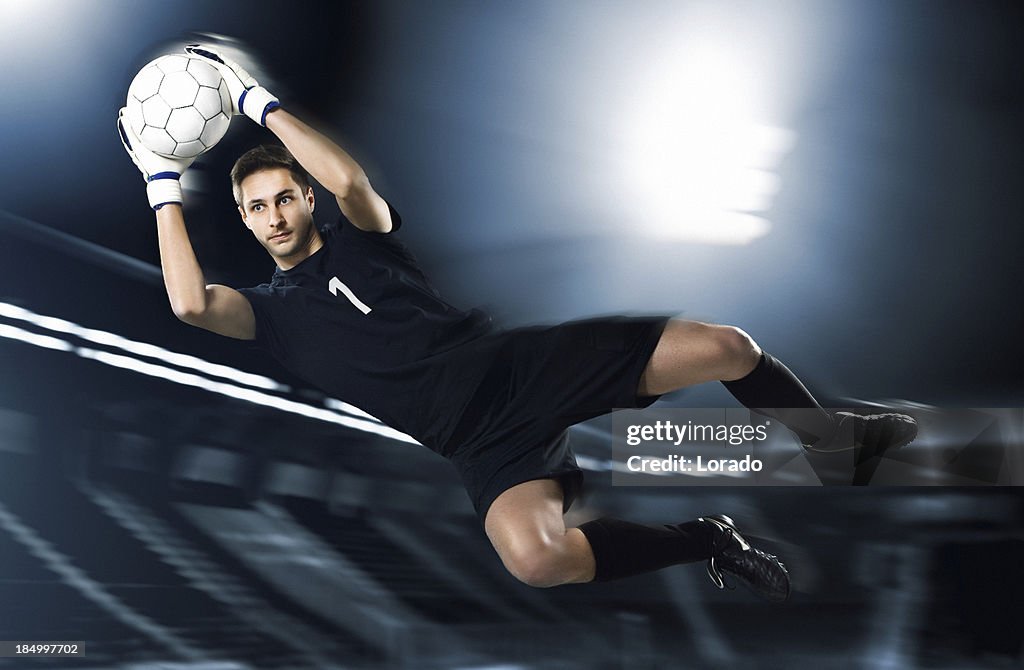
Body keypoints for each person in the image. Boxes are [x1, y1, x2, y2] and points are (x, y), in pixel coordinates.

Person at [118, 45, 918, 603]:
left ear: (304, 198)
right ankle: (709, 538)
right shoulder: (271, 316)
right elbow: (189, 302)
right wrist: (162, 181)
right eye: (256, 207)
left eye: (285, 196)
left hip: (517, 367)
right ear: (246, 221)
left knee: (724, 348)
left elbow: (350, 179)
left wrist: (256, 102)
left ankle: (825, 440)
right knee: (537, 562)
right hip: (479, 442)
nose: (274, 214)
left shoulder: (363, 236)